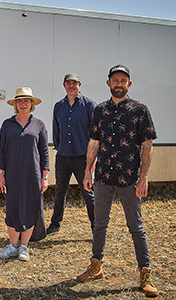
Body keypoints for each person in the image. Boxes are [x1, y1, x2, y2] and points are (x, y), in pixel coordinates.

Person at [76, 65, 158, 297]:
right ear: (108, 83)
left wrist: (143, 178)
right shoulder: (100, 110)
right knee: (99, 224)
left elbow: (147, 146)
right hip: (103, 177)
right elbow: (94, 142)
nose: (119, 83)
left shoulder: (140, 110)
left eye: (123, 80)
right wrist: (87, 172)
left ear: (129, 84)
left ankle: (145, 275)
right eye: (115, 80)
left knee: (136, 227)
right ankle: (96, 267)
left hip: (129, 180)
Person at [0, 87, 49, 262]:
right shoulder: (7, 124)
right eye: (20, 101)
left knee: (30, 207)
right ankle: (12, 246)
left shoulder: (39, 125)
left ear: (32, 104)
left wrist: (45, 176)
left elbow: (44, 152)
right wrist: (0, 173)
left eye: (26, 101)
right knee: (12, 208)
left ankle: (24, 247)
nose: (23, 104)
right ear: (15, 105)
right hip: (11, 174)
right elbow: (2, 150)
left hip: (32, 174)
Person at [46, 73, 96, 235]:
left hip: (82, 157)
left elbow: (95, 134)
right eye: (68, 83)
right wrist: (59, 147)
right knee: (60, 191)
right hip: (62, 156)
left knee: (88, 193)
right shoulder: (59, 106)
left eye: (74, 83)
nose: (71, 86)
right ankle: (55, 225)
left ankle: (97, 227)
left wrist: (92, 159)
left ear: (79, 85)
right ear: (64, 85)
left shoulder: (89, 105)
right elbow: (56, 130)